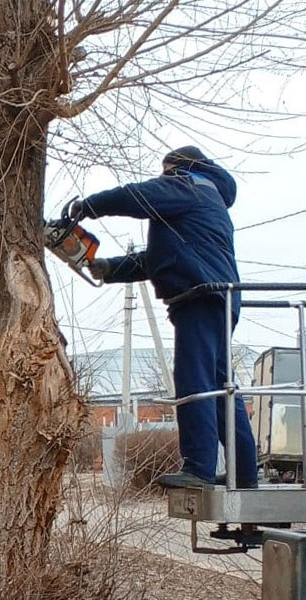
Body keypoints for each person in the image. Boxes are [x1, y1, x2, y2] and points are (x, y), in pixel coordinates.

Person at [71, 146, 258, 489]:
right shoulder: (204, 198)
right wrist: (109, 268)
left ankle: (199, 467)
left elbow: (137, 196)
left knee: (194, 382)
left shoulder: (188, 184)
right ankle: (245, 477)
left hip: (199, 298)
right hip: (215, 297)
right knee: (221, 390)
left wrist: (90, 205)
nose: (162, 178)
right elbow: (159, 259)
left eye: (165, 172)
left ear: (179, 167)